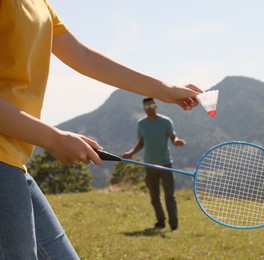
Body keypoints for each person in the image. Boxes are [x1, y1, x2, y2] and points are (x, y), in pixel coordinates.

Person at [0, 1, 202, 259]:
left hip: (13, 163)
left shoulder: (40, 4)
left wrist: (165, 90)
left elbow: (85, 57)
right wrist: (52, 138)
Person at [122, 98, 185, 232]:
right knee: (154, 197)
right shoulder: (141, 124)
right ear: (144, 108)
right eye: (146, 106)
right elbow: (141, 142)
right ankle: (160, 222)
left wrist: (178, 142)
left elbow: (173, 138)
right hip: (149, 165)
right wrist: (130, 152)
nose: (149, 108)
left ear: (156, 105)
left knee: (170, 196)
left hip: (165, 164)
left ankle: (174, 226)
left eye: (151, 105)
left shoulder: (166, 122)